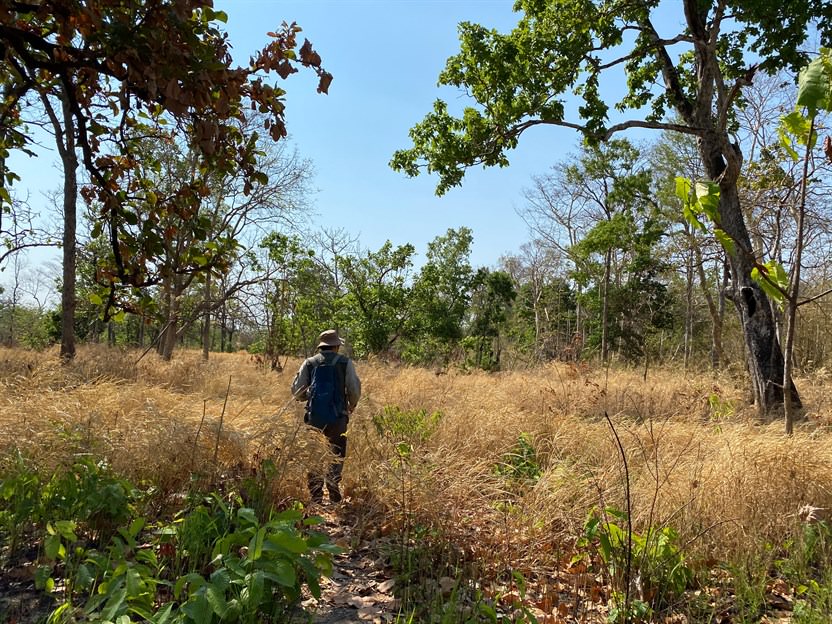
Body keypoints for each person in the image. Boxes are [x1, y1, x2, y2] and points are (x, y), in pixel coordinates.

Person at [291, 329, 361, 504]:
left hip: (314, 417)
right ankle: (333, 486)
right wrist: (351, 405)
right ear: (336, 346)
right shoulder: (345, 363)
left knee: (314, 453)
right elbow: (353, 389)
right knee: (336, 451)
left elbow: (297, 391)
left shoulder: (309, 363)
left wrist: (310, 398)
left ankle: (315, 494)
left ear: (321, 346)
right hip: (338, 417)